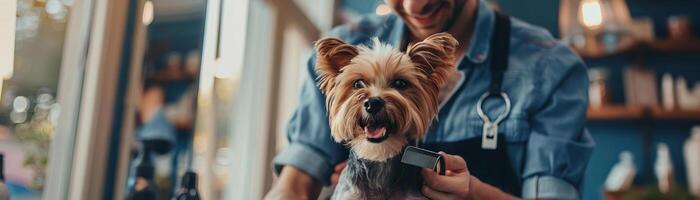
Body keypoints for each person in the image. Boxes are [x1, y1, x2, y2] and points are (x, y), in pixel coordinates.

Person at [266, 0, 595, 199]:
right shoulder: (343, 46)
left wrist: (473, 194)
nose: (414, 6)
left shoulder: (551, 67)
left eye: (400, 84)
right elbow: (293, 186)